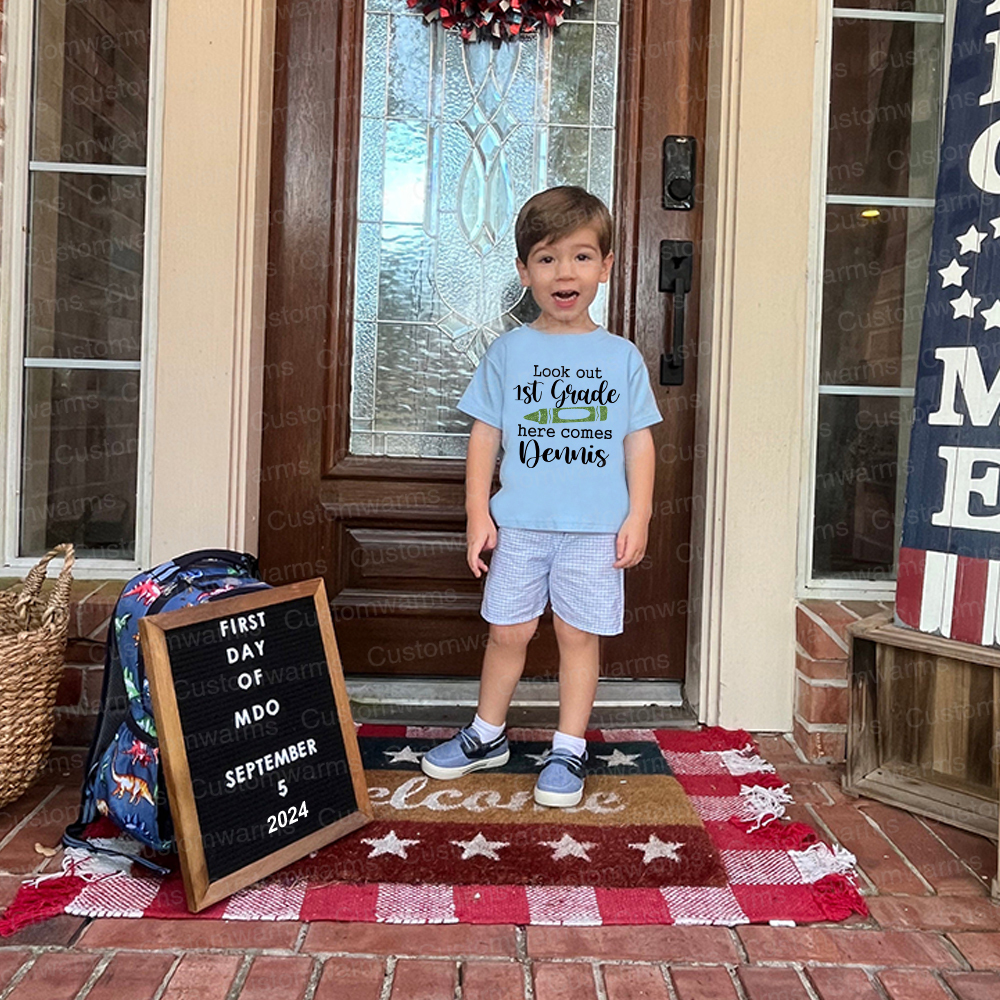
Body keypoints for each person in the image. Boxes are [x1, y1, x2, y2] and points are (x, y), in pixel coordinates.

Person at [420, 185, 662, 807]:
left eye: (582, 257)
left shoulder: (621, 357)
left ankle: (568, 748)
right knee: (508, 631)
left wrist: (639, 513)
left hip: (594, 530)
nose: (565, 272)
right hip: (521, 526)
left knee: (579, 636)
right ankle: (487, 735)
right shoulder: (509, 351)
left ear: (606, 267)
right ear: (525, 270)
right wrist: (479, 511)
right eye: (548, 258)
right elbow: (485, 435)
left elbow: (639, 442)